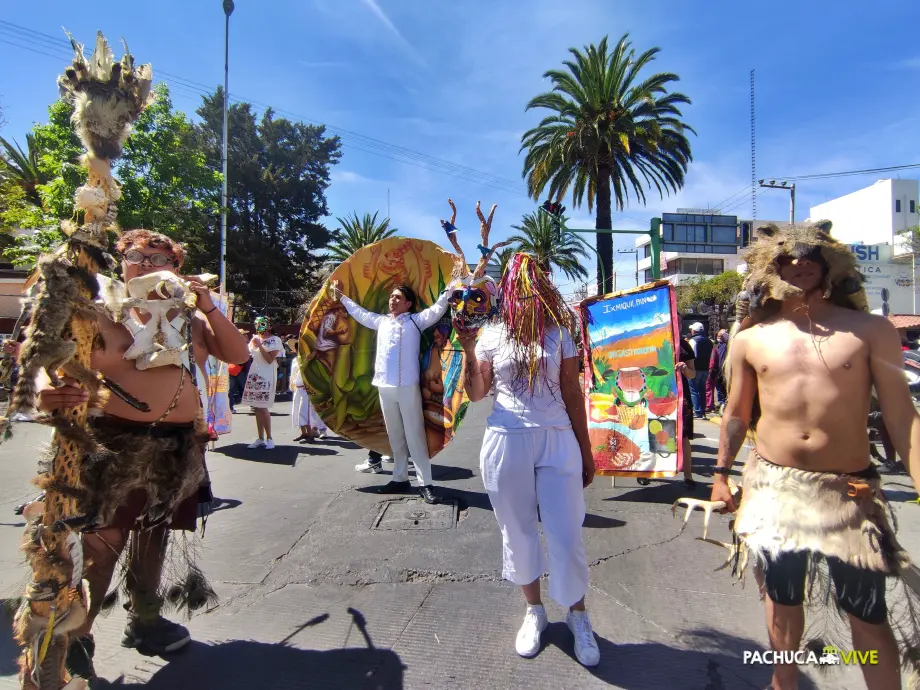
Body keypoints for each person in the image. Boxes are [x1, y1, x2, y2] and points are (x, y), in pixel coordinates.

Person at [710, 221, 920, 690]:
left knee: (866, 615)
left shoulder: (870, 330)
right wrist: (721, 475)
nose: (800, 264)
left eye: (811, 256)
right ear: (771, 266)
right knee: (782, 605)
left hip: (848, 493)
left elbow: (903, 419)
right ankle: (783, 684)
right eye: (788, 257)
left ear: (831, 264)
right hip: (773, 489)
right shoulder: (750, 337)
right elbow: (737, 414)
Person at [34, 229, 249, 683]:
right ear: (121, 262)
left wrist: (207, 302)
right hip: (114, 446)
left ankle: (146, 619)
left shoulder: (189, 319)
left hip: (178, 449)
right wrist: (48, 395)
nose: (149, 262)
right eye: (139, 255)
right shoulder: (96, 315)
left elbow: (237, 352)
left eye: (161, 256)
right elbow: (42, 366)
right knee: (101, 547)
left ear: (175, 267)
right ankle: (77, 635)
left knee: (154, 536)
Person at [457, 253, 600, 668]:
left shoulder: (560, 333)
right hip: (506, 440)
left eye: (536, 281)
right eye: (522, 283)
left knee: (567, 533)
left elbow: (573, 394)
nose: (529, 289)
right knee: (517, 532)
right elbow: (477, 393)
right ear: (508, 289)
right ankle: (534, 611)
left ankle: (578, 615)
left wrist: (586, 451)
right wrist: (468, 351)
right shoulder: (491, 334)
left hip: (557, 440)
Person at [329, 278, 457, 504]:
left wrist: (453, 285)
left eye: (398, 297)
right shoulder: (381, 322)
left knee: (415, 436)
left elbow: (438, 308)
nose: (392, 300)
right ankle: (400, 477)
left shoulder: (416, 321)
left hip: (407, 387)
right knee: (395, 435)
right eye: (391, 297)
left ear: (408, 304)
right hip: (384, 386)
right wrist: (342, 297)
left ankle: (425, 483)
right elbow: (360, 314)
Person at [241, 316, 284, 449]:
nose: (259, 327)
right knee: (256, 407)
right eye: (257, 324)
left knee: (263, 406)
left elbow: (270, 359)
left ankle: (270, 438)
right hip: (255, 373)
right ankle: (260, 438)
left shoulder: (275, 340)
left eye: (262, 324)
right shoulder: (256, 339)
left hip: (267, 374)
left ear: (269, 326)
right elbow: (246, 355)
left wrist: (260, 345)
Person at [291, 352, 327, 441]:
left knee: (307, 411)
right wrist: (292, 385)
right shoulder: (295, 360)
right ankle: (304, 432)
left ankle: (314, 432)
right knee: (298, 411)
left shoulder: (312, 360)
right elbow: (293, 373)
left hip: (307, 389)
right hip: (298, 388)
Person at [686, 322, 712, 419]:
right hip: (705, 369)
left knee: (694, 391)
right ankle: (703, 411)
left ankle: (697, 412)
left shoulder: (693, 341)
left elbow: (692, 356)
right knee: (702, 390)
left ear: (694, 331)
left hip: (695, 369)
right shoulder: (709, 341)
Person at [705, 329, 728, 414]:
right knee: (718, 387)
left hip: (723, 368)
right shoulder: (717, 346)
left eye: (720, 336)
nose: (718, 338)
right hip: (717, 369)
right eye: (718, 336)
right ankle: (721, 402)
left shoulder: (726, 345)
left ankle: (723, 403)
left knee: (721, 386)